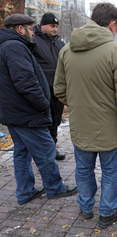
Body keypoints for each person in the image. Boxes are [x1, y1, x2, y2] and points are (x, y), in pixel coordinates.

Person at [54, 3, 117, 229]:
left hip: (80, 126)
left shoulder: (66, 50)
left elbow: (59, 89)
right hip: (109, 128)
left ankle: (85, 208)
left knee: (83, 169)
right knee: (111, 170)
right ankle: (107, 211)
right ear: (113, 24)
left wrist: (78, 104)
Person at [0, 14, 78, 205]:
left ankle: (25, 192)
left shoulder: (8, 45)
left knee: (22, 152)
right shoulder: (14, 47)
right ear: (20, 29)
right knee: (45, 150)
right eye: (30, 27)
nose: (33, 32)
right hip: (26, 112)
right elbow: (25, 81)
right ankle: (54, 187)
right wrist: (43, 104)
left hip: (14, 112)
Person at [32, 13, 66, 160]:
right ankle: (43, 151)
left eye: (56, 27)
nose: (55, 29)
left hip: (57, 90)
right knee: (43, 121)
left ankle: (52, 149)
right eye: (52, 26)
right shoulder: (33, 41)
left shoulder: (59, 43)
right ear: (42, 26)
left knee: (55, 121)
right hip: (42, 90)